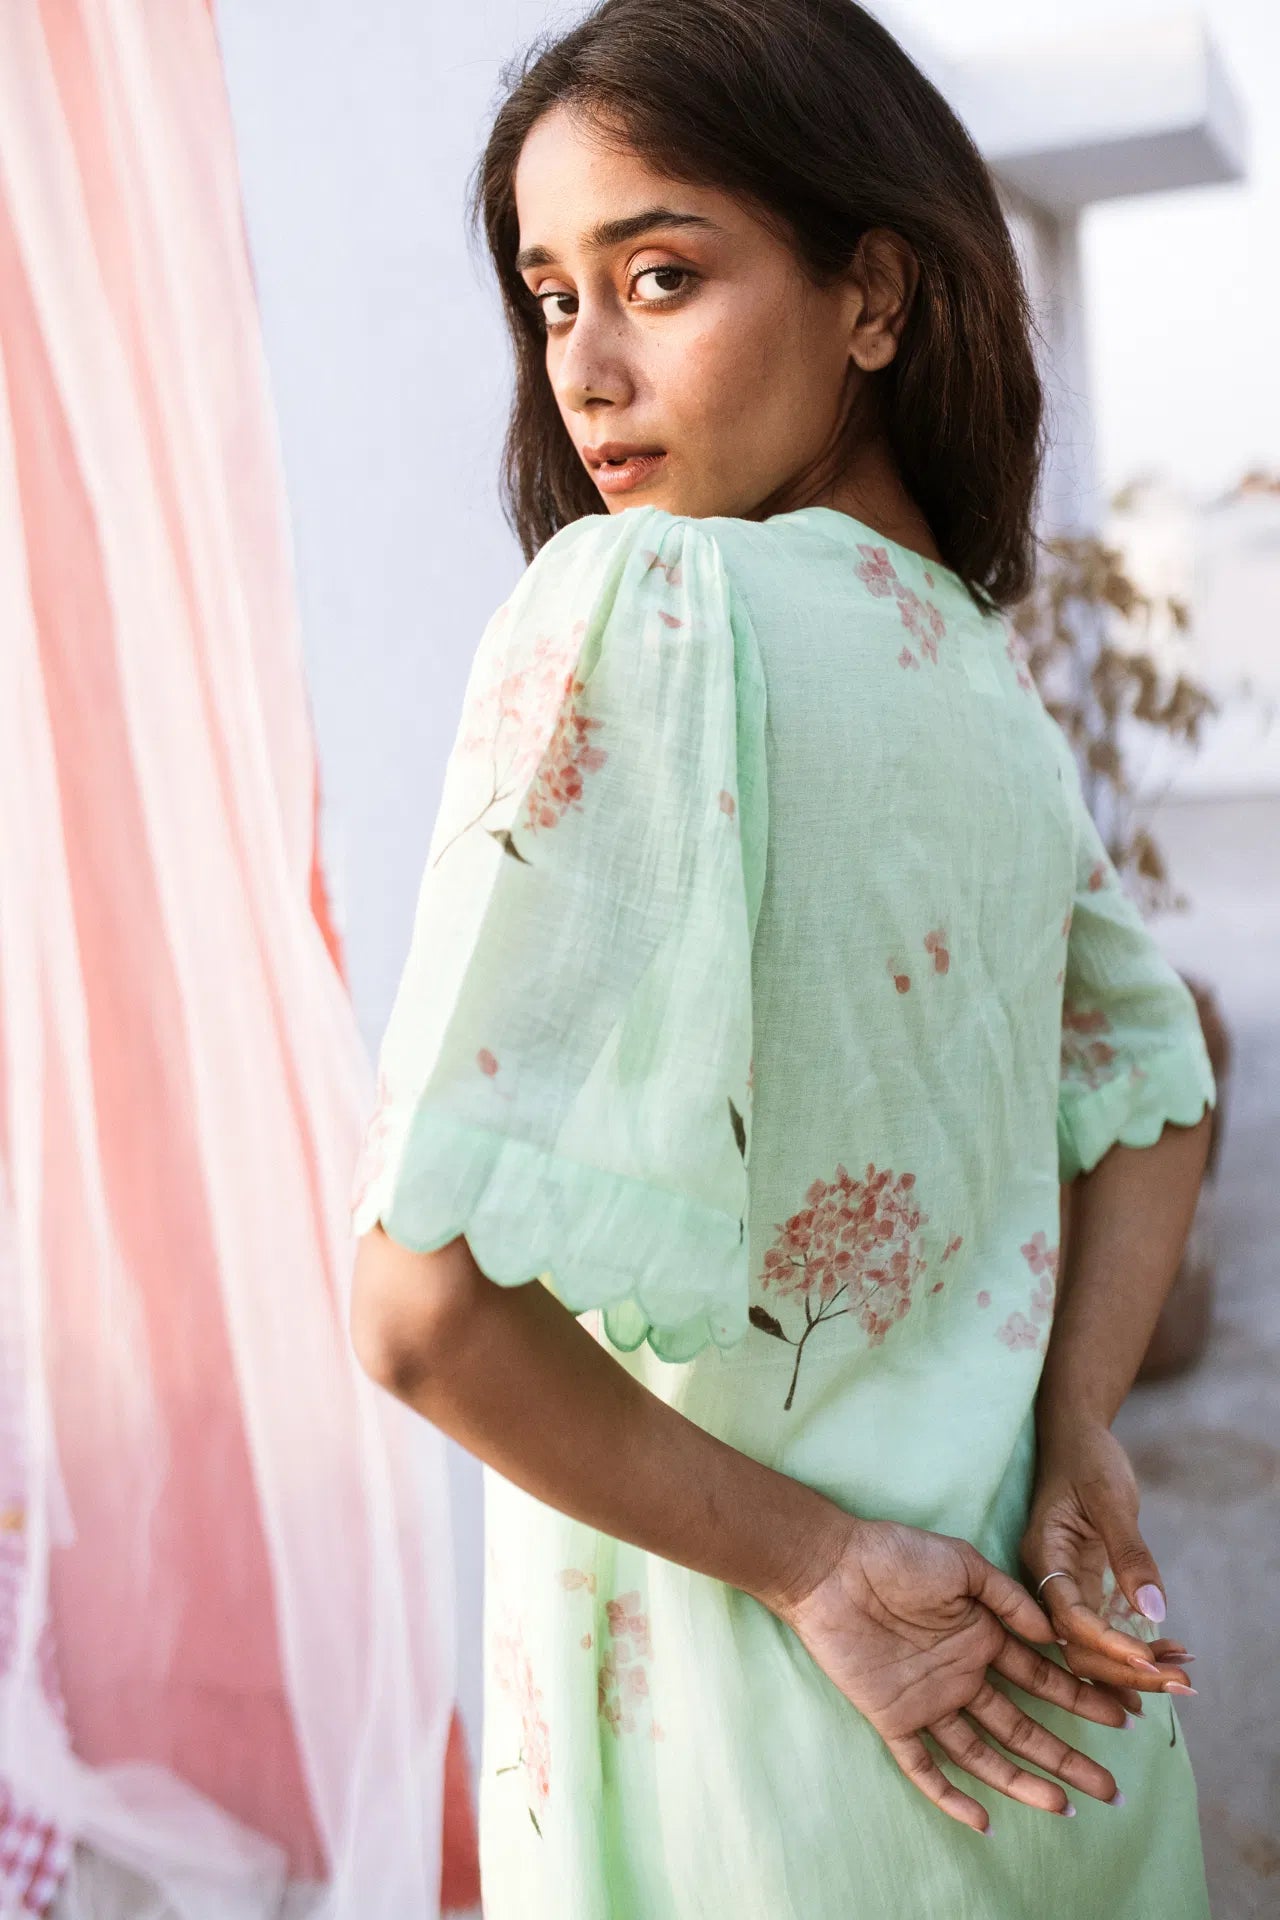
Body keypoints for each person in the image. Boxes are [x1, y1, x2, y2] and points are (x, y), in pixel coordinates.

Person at [348, 2, 1216, 1913]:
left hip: (783, 1756)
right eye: (551, 295)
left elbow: (419, 1314)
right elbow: (1158, 1095)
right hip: (1053, 1748)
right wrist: (1079, 1435)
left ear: (875, 299)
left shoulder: (648, 611)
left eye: (661, 275)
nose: (586, 365)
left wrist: (816, 1564)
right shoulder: (981, 686)